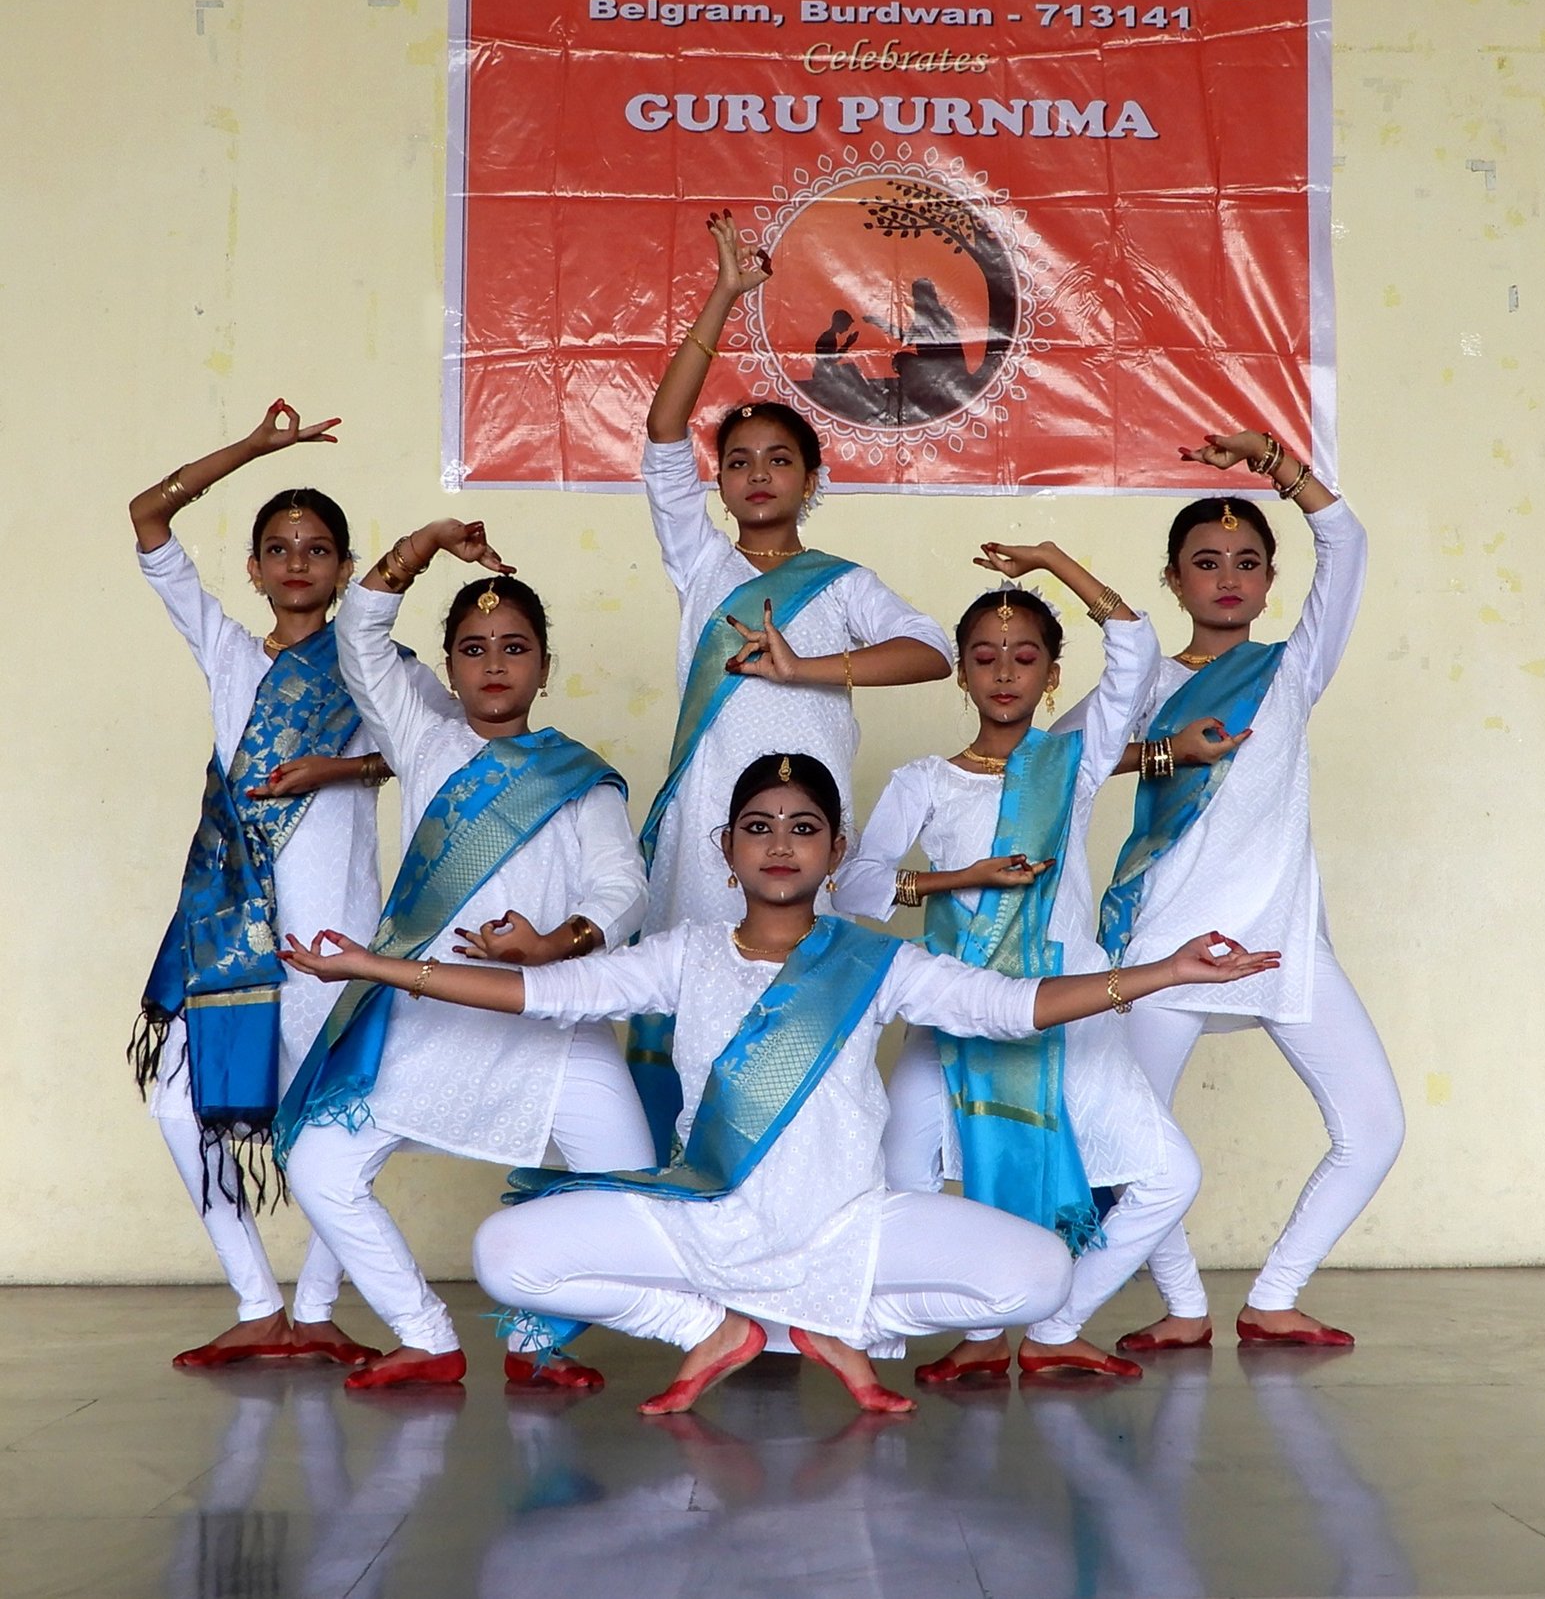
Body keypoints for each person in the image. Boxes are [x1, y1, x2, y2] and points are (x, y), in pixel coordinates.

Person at [280, 752, 1279, 1417]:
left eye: (804, 826)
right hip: (707, 1223)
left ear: (836, 851)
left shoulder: (875, 961)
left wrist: (1166, 971)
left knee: (1040, 1275)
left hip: (846, 1224)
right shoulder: (682, 955)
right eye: (757, 825)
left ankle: (826, 1321)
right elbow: (539, 991)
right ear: (727, 851)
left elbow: (1012, 1006)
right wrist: (373, 966)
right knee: (504, 1252)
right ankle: (717, 1327)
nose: (780, 841)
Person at [273, 521, 654, 1390]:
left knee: (635, 1200)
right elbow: (359, 631)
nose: (494, 665)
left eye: (514, 647)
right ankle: (426, 1334)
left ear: (545, 666)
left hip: (551, 1029)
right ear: (448, 669)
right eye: (473, 649)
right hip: (428, 1024)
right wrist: (432, 542)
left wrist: (554, 944)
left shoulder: (578, 777)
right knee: (318, 1164)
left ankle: (537, 1335)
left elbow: (623, 887)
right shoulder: (424, 741)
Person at [628, 208, 952, 1155]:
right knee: (701, 1012)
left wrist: (805, 669)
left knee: (803, 1016)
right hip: (710, 830)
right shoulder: (701, 564)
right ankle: (690, 1180)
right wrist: (725, 295)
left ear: (813, 477)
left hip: (804, 832)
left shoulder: (842, 585)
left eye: (780, 460)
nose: (758, 474)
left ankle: (803, 1182)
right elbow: (662, 429)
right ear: (719, 483)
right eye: (738, 462)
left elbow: (931, 650)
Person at [835, 552, 1202, 1381]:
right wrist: (960, 878)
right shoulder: (924, 780)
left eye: (1026, 656)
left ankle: (1054, 1324)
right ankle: (976, 1321)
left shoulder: (1070, 763)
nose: (1005, 673)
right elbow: (854, 884)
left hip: (1066, 1006)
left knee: (1169, 1175)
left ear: (1052, 674)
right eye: (985, 657)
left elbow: (1135, 646)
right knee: (902, 1176)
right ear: (961, 675)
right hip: (957, 1006)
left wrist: (1049, 561)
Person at [130, 397, 437, 1369]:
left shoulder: (374, 663)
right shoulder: (226, 649)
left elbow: (435, 748)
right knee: (177, 1101)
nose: (297, 561)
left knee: (329, 1114)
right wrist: (257, 447)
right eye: (278, 547)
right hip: (226, 923)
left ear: (345, 569)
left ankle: (315, 1306)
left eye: (317, 548)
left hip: (333, 927)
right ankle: (258, 1301)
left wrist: (338, 769)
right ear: (255, 567)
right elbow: (148, 516)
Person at [1104, 429, 1404, 1353]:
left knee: (1374, 1127)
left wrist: (1278, 464)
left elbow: (1346, 540)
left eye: (1247, 562)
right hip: (1165, 944)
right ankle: (1183, 1304)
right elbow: (1054, 765)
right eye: (1205, 562)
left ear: (1272, 580)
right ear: (1173, 579)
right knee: (1131, 1142)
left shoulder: (1291, 669)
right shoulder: (1146, 678)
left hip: (1282, 938)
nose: (1227, 578)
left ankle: (1273, 1297)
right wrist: (1166, 751)